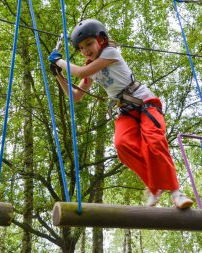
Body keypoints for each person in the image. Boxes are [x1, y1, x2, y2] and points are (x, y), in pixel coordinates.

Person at [48, 19, 193, 209]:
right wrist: (58, 74)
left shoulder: (110, 53)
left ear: (102, 39)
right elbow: (75, 97)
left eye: (89, 44)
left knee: (154, 142)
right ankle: (154, 185)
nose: (86, 51)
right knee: (122, 145)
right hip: (126, 110)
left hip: (145, 104)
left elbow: (81, 72)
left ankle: (176, 193)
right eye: (82, 48)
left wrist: (60, 61)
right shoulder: (91, 65)